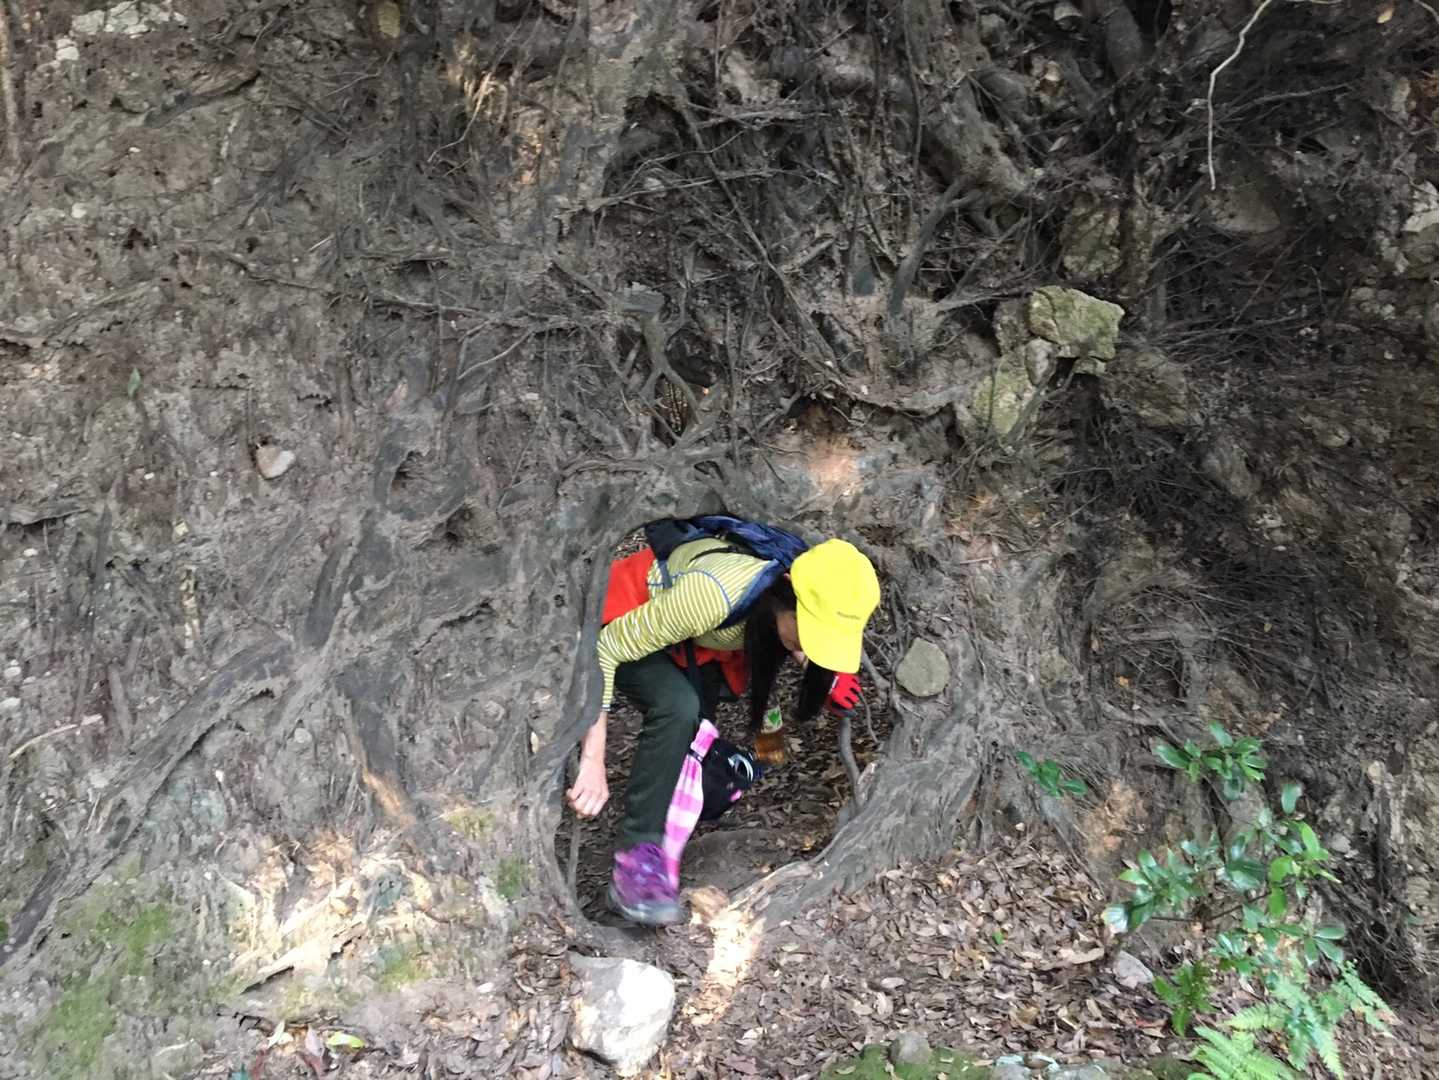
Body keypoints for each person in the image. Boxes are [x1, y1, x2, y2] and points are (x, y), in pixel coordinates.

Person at [566, 525, 880, 925]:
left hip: (687, 638)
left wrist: (826, 677)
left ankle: (675, 826)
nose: (811, 647)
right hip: (622, 620)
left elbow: (783, 654)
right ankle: (635, 864)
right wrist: (593, 761)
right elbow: (606, 649)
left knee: (697, 730)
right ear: (786, 595)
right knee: (679, 707)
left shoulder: (783, 598)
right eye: (810, 634)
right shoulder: (713, 596)